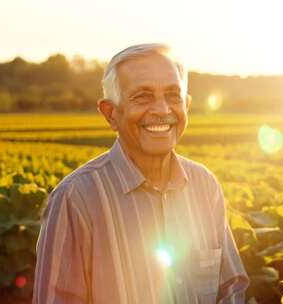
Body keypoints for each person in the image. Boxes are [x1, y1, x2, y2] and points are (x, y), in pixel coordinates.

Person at [33, 43, 249, 304]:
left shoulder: (205, 186)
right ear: (110, 114)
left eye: (173, 96)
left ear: (187, 106)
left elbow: (231, 289)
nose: (162, 110)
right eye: (142, 97)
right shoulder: (76, 198)